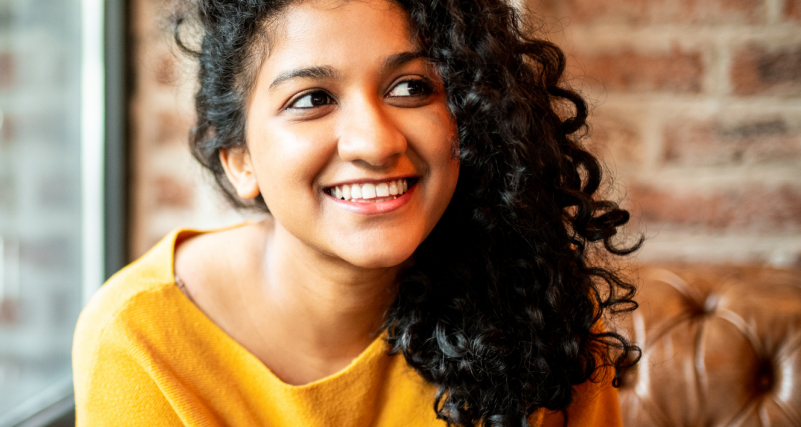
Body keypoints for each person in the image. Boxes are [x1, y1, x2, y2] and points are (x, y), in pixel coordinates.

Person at [73, 0, 641, 425]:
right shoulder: (140, 342)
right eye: (312, 99)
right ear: (241, 161)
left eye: (412, 87)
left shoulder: (532, 301)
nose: (374, 142)